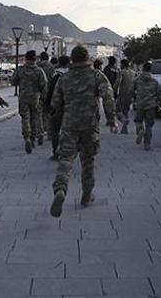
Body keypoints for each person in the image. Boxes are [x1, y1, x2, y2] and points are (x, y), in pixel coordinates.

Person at [49, 46, 117, 218]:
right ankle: (86, 196)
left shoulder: (64, 78)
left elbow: (55, 103)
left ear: (72, 59)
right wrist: (111, 119)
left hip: (69, 125)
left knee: (65, 160)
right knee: (88, 162)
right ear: (88, 59)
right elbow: (108, 96)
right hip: (89, 126)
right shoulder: (96, 76)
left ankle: (61, 189)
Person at [11, 50, 47, 153]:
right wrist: (43, 96)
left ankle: (26, 137)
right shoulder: (39, 71)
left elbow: (13, 81)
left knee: (25, 117)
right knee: (34, 117)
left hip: (23, 97)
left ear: (26, 58)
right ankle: (33, 137)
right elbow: (44, 85)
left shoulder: (20, 70)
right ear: (35, 59)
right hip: (35, 97)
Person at [132, 62, 161, 151]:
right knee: (149, 126)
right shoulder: (155, 81)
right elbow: (160, 94)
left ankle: (140, 129)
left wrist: (135, 99)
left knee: (138, 121)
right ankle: (147, 144)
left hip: (139, 105)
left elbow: (131, 91)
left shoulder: (136, 80)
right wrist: (157, 102)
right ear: (150, 69)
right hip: (151, 106)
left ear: (142, 69)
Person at [45, 55, 71, 159]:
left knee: (55, 129)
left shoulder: (56, 75)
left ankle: (56, 151)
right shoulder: (72, 75)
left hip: (57, 106)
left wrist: (47, 104)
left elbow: (50, 91)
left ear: (59, 63)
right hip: (70, 106)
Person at [36, 51, 55, 143]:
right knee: (47, 113)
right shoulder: (51, 67)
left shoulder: (37, 66)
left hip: (38, 93)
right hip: (48, 93)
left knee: (38, 113)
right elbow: (53, 79)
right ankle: (49, 131)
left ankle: (39, 131)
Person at [114, 59, 135, 134]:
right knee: (125, 112)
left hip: (122, 95)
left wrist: (114, 90)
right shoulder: (133, 72)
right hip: (130, 95)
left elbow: (118, 82)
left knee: (117, 111)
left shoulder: (122, 72)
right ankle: (124, 130)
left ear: (123, 64)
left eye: (121, 64)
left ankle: (124, 121)